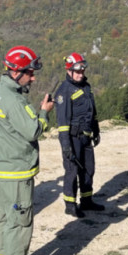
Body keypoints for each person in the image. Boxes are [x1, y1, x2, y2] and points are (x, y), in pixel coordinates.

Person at [0, 45, 54, 255]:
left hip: (2, 168)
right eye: (30, 72)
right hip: (16, 170)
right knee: (19, 223)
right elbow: (33, 130)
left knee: (4, 218)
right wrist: (44, 113)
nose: (33, 77)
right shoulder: (14, 99)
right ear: (16, 72)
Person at [55, 52, 104, 218]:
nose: (80, 74)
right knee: (72, 171)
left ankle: (87, 200)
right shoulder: (64, 91)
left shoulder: (86, 86)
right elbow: (62, 124)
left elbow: (92, 111)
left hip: (86, 137)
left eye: (82, 71)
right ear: (69, 71)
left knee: (89, 169)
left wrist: (96, 129)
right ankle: (70, 204)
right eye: (77, 71)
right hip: (72, 137)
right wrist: (66, 145)